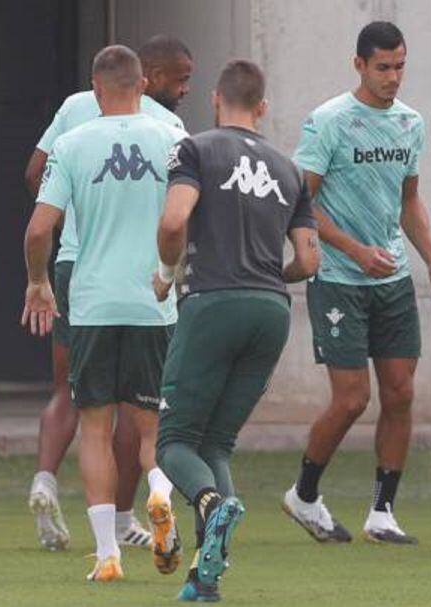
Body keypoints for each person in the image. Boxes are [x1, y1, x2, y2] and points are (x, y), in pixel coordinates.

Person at [282, 21, 431, 546]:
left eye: (400, 66)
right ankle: (304, 494)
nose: (393, 77)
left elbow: (409, 200)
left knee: (401, 393)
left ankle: (382, 513)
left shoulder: (410, 123)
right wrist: (354, 250)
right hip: (339, 277)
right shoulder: (329, 121)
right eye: (383, 67)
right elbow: (301, 203)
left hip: (393, 277)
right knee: (353, 399)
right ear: (359, 65)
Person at [154, 59, 321, 602]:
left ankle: (208, 503)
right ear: (263, 106)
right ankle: (205, 580)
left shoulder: (196, 148)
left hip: (213, 300)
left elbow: (175, 219)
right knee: (217, 443)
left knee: (175, 443)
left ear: (215, 99)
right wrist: (271, 275)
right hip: (271, 309)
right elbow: (309, 259)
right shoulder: (289, 169)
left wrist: (164, 274)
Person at [23, 34, 193, 552]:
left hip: (86, 284)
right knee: (146, 423)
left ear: (97, 88)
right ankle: (150, 498)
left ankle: (101, 545)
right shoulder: (173, 136)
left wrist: (38, 281)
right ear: (144, 82)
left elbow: (36, 225)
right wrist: (171, 271)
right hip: (151, 293)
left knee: (84, 412)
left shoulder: (73, 132)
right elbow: (180, 218)